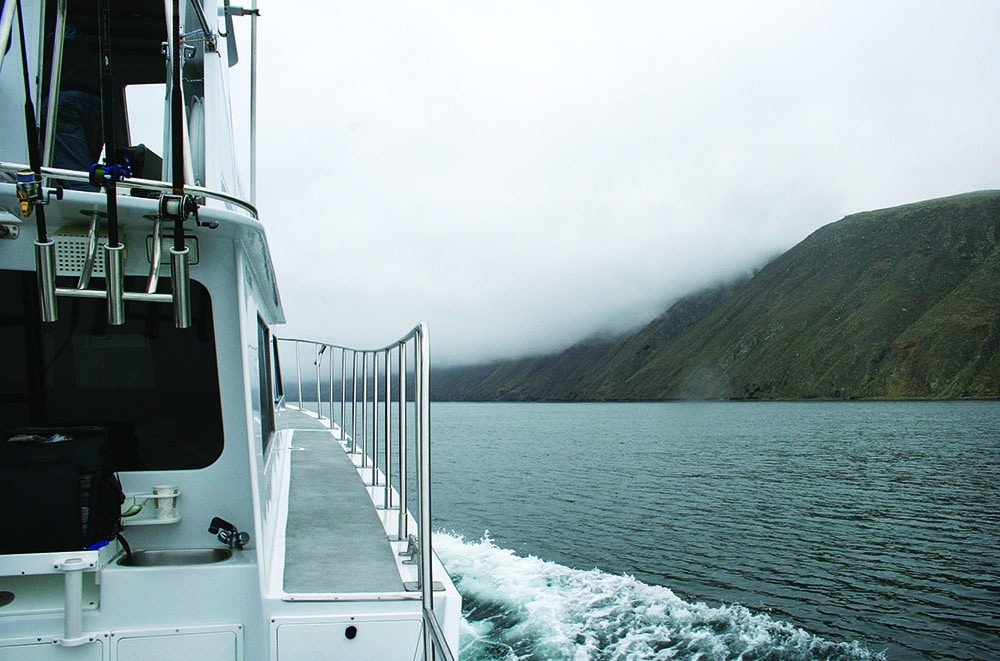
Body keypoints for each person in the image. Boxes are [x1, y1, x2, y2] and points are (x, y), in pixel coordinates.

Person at [46, 19, 103, 190]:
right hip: (96, 100)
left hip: (63, 99)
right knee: (87, 172)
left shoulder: (35, 20)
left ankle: (93, 213)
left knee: (78, 181)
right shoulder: (72, 22)